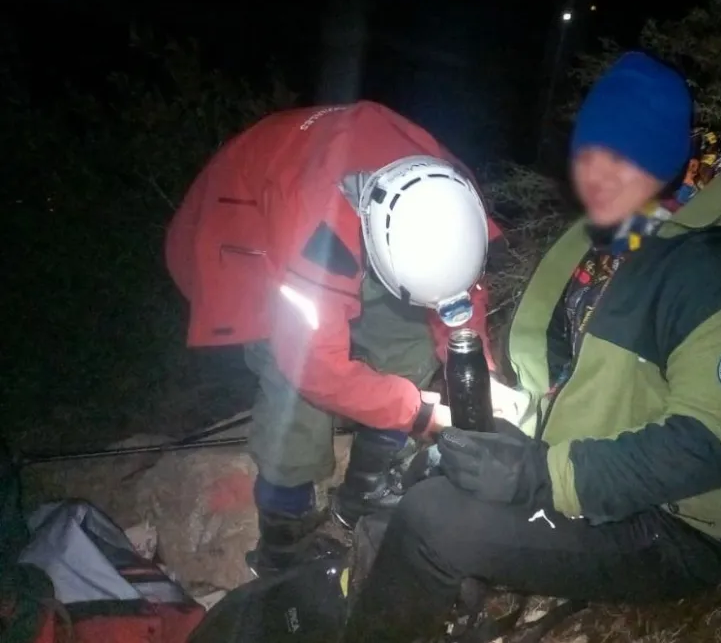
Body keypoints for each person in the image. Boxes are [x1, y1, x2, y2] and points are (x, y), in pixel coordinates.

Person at [340, 52, 721, 642]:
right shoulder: (612, 238)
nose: (596, 177)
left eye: (621, 160)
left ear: (662, 160)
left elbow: (707, 448)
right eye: (589, 155)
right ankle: (463, 591)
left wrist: (544, 476)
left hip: (675, 526)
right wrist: (515, 414)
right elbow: (572, 370)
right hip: (585, 463)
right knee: (447, 460)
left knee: (432, 520)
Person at [164, 101, 507, 577]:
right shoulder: (314, 226)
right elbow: (315, 370)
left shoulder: (447, 199)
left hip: (354, 216)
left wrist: (479, 368)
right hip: (253, 236)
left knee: (405, 343)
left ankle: (363, 493)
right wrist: (417, 411)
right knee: (294, 391)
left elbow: (461, 296)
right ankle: (284, 536)